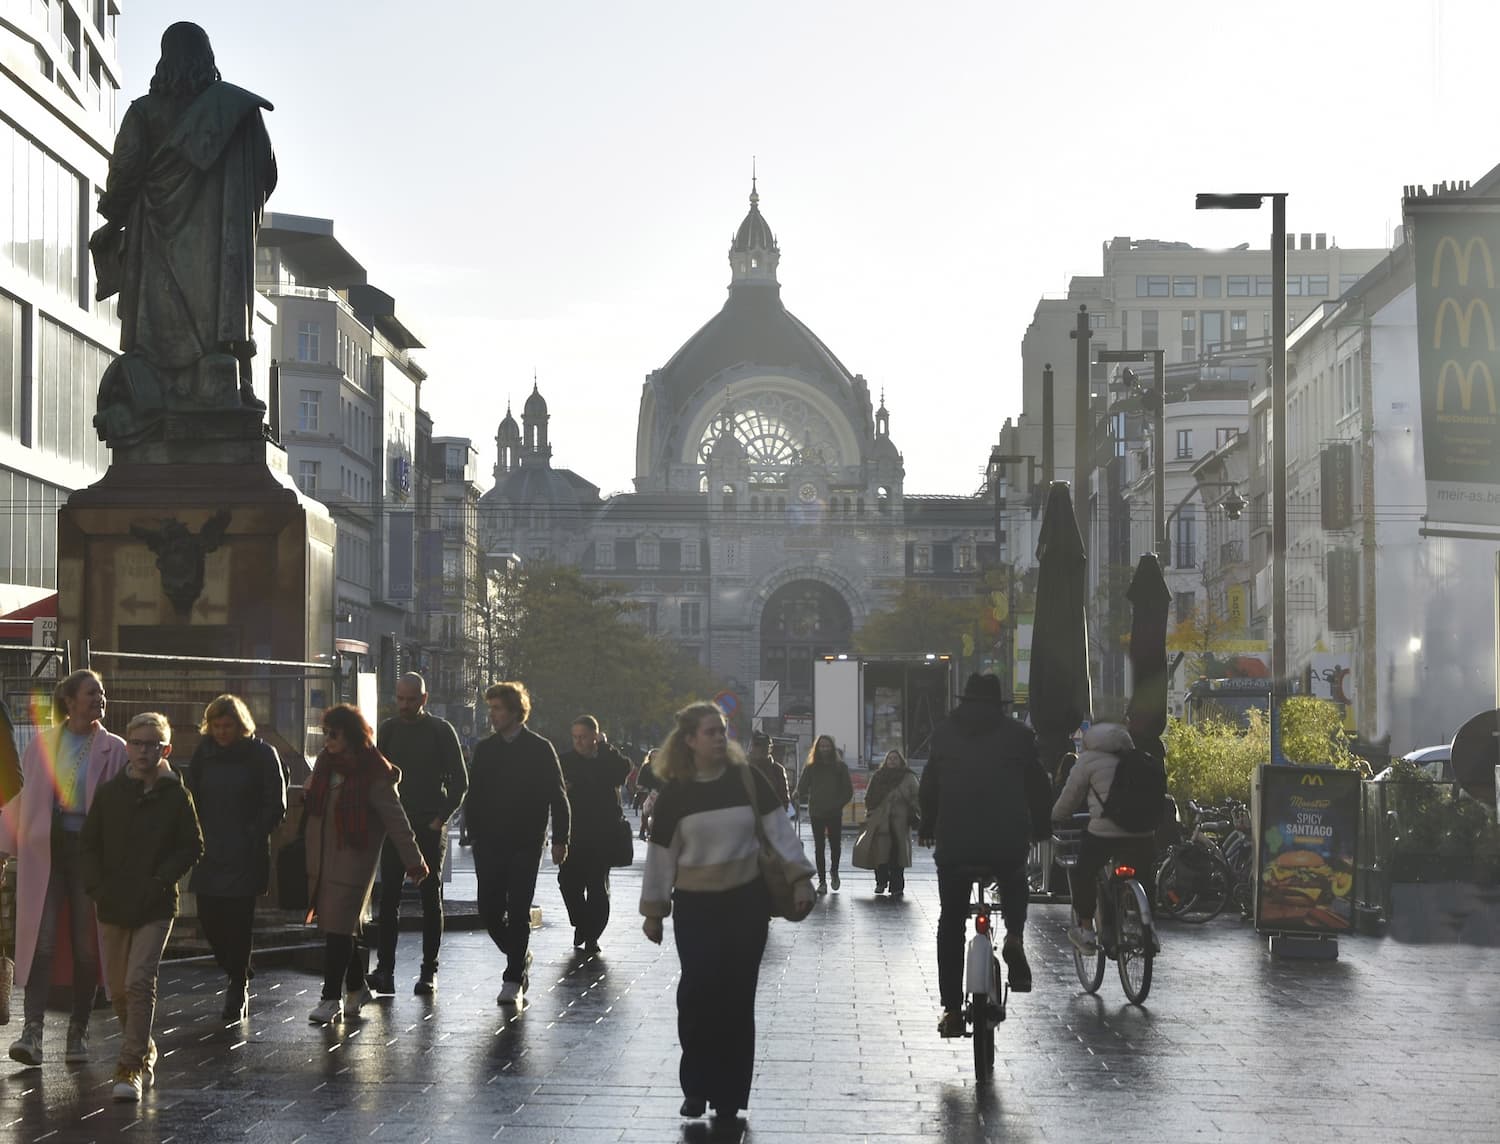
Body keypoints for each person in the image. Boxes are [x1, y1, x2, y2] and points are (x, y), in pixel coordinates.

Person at [91, 20, 277, 441]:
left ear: (164, 59)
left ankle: (169, 391)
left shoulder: (144, 112)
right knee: (212, 337)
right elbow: (265, 172)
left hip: (155, 246)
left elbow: (123, 175)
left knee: (159, 327)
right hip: (219, 262)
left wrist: (110, 218)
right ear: (207, 59)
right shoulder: (237, 114)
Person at [640, 702, 815, 1129]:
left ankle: (730, 1094)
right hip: (697, 906)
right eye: (709, 732)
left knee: (737, 998)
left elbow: (779, 832)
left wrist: (802, 878)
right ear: (689, 741)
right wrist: (654, 910)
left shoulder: (747, 779)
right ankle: (696, 1088)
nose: (719, 738)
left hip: (745, 902)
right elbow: (660, 857)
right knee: (698, 993)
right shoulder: (676, 793)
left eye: (722, 730)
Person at [0, 670, 127, 1067]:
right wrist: (3, 848)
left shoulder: (116, 748)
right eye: (92, 693)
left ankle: (79, 1030)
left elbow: (125, 804)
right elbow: (26, 799)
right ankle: (32, 1033)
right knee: (43, 941)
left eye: (102, 693)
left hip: (89, 855)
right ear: (69, 701)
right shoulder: (42, 744)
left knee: (87, 946)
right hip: (47, 852)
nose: (100, 699)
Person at [80, 713, 203, 1102]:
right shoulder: (110, 793)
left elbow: (192, 846)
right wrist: (97, 887)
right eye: (136, 743)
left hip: (155, 904)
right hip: (113, 902)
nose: (143, 751)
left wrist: (160, 879)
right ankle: (144, 1045)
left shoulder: (176, 795)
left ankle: (131, 1064)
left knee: (138, 981)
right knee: (117, 989)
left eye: (152, 744)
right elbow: (89, 846)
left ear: (165, 749)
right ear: (127, 746)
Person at [919, 673, 1050, 1038]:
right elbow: (1039, 787)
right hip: (1006, 839)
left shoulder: (944, 734)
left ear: (964, 701)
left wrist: (928, 825)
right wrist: (1040, 828)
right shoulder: (1020, 737)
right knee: (1013, 878)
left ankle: (951, 1009)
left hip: (955, 842)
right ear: (999, 704)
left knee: (951, 921)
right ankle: (1014, 937)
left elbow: (929, 787)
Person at [302, 705, 428, 1025]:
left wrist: (414, 863)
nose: (327, 740)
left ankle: (330, 999)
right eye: (325, 733)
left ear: (351, 735)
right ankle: (357, 987)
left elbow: (397, 822)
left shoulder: (374, 773)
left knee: (338, 929)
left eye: (334, 733)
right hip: (323, 858)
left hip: (354, 861)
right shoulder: (325, 765)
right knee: (339, 927)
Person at [182, 694, 287, 1022]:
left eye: (228, 726)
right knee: (210, 918)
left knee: (239, 922)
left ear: (240, 725)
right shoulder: (205, 754)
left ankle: (237, 983)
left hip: (245, 848)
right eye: (216, 726)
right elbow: (190, 793)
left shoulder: (261, 753)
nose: (222, 732)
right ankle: (236, 966)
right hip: (210, 848)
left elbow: (276, 802)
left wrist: (254, 833)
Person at [465, 682, 570, 1005]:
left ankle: (513, 978)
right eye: (491, 708)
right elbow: (476, 793)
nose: (492, 715)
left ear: (514, 711)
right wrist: (474, 832)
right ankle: (519, 955)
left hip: (526, 840)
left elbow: (559, 796)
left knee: (519, 908)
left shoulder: (539, 748)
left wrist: (561, 840)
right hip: (490, 841)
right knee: (489, 910)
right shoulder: (486, 749)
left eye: (497, 709)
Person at [370, 673, 468, 997]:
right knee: (389, 900)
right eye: (400, 698)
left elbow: (460, 781)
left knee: (430, 895)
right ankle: (385, 970)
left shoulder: (441, 731)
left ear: (423, 699)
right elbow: (376, 773)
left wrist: (440, 819)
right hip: (395, 825)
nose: (404, 705)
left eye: (411, 699)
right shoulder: (389, 729)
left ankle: (429, 971)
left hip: (427, 824)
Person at [1051, 721, 1159, 954]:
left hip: (1104, 834)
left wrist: (1056, 817)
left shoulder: (1088, 761)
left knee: (1083, 872)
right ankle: (1149, 929)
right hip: (1143, 834)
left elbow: (1069, 797)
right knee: (1145, 874)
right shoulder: (1141, 758)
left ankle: (1087, 930)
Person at [556, 716, 631, 954]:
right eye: (575, 737)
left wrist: (606, 747)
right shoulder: (565, 761)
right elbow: (554, 792)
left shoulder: (607, 761)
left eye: (584, 737)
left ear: (595, 737)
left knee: (597, 887)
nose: (578, 741)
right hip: (573, 834)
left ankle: (592, 936)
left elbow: (624, 769)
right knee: (568, 884)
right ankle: (581, 923)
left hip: (603, 835)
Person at [794, 735, 853, 894]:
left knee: (835, 845)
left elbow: (848, 791)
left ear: (832, 748)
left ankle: (834, 871)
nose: (824, 749)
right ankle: (822, 881)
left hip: (834, 812)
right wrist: (797, 793)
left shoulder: (840, 767)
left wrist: (837, 804)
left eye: (827, 746)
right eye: (822, 746)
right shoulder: (811, 767)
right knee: (819, 847)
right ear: (817, 748)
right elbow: (803, 786)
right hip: (817, 812)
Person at [864, 749, 920, 897]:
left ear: (901, 761)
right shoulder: (878, 776)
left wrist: (914, 810)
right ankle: (881, 882)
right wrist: (870, 812)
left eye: (895, 758)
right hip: (880, 820)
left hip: (900, 821)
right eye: (890, 759)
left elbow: (917, 796)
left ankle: (897, 886)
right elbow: (869, 796)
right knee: (880, 853)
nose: (892, 761)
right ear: (886, 761)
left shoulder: (908, 777)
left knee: (897, 853)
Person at [746, 731, 791, 811]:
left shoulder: (777, 770)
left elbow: (784, 801)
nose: (758, 749)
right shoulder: (743, 768)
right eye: (755, 745)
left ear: (769, 749)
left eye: (762, 746)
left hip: (770, 817)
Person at [634, 748, 661, 839]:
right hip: (647, 792)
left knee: (657, 813)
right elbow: (640, 780)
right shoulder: (646, 767)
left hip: (659, 792)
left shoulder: (663, 767)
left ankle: (653, 831)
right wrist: (642, 787)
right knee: (645, 812)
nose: (655, 757)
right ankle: (643, 831)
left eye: (657, 755)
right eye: (653, 755)